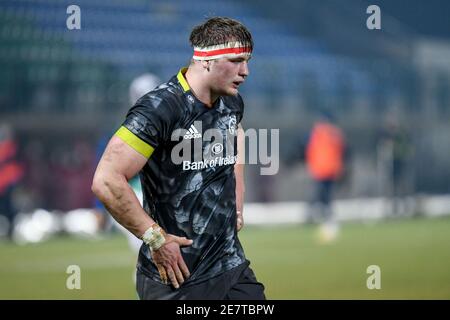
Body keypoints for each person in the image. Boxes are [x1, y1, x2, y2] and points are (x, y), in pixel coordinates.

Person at [92, 17, 265, 300]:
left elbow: (236, 133)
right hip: (175, 277)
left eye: (247, 61)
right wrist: (155, 239)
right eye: (235, 61)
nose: (245, 71)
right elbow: (106, 180)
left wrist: (238, 198)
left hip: (230, 268)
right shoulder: (159, 108)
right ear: (207, 60)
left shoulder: (232, 102)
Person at [305, 112, 345, 243]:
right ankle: (325, 218)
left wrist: (311, 166)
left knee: (322, 195)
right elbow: (341, 151)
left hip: (320, 169)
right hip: (331, 169)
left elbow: (310, 151)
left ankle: (320, 217)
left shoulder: (316, 133)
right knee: (325, 195)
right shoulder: (335, 133)